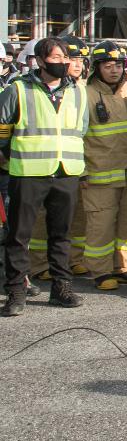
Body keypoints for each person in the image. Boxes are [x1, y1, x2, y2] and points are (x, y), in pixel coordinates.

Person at [0, 38, 90, 316]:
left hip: (66, 172)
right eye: (56, 57)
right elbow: (3, 127)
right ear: (40, 61)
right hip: (28, 171)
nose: (64, 62)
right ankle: (16, 290)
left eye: (66, 57)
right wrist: (8, 153)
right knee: (18, 235)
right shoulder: (18, 89)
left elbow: (81, 129)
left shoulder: (76, 91)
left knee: (61, 234)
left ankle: (61, 287)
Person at [73, 44, 127, 291]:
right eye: (107, 66)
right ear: (97, 68)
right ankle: (100, 271)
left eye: (118, 65)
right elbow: (76, 136)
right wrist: (80, 171)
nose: (113, 70)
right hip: (99, 174)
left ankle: (123, 267)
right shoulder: (84, 94)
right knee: (100, 225)